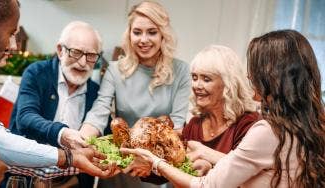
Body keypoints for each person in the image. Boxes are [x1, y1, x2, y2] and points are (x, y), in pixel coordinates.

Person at [121, 29, 325, 187]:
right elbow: (251, 165)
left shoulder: (264, 130)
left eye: (207, 78)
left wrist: (155, 162)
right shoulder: (306, 126)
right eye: (194, 77)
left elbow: (211, 184)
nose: (249, 76)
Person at [0, 0, 112, 187]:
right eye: (11, 34)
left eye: (90, 56)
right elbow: (21, 122)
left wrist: (69, 157)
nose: (13, 46)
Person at [79, 1, 191, 187]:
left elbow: (177, 129)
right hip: (121, 170)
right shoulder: (115, 70)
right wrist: (81, 142)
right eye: (137, 32)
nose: (143, 40)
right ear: (129, 34)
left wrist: (151, 161)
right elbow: (99, 113)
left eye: (152, 32)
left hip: (159, 171)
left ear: (163, 34)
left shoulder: (181, 71)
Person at [8, 21, 107, 187]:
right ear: (60, 50)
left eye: (91, 55)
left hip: (71, 181)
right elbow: (25, 118)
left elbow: (104, 137)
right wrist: (62, 133)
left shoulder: (96, 92)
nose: (83, 62)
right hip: (27, 178)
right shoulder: (37, 73)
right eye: (76, 52)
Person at [181, 45, 260, 174]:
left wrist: (205, 154)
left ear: (228, 84)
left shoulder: (248, 124)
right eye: (194, 78)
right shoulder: (194, 125)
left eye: (206, 79)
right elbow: (174, 169)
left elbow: (246, 173)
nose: (197, 85)